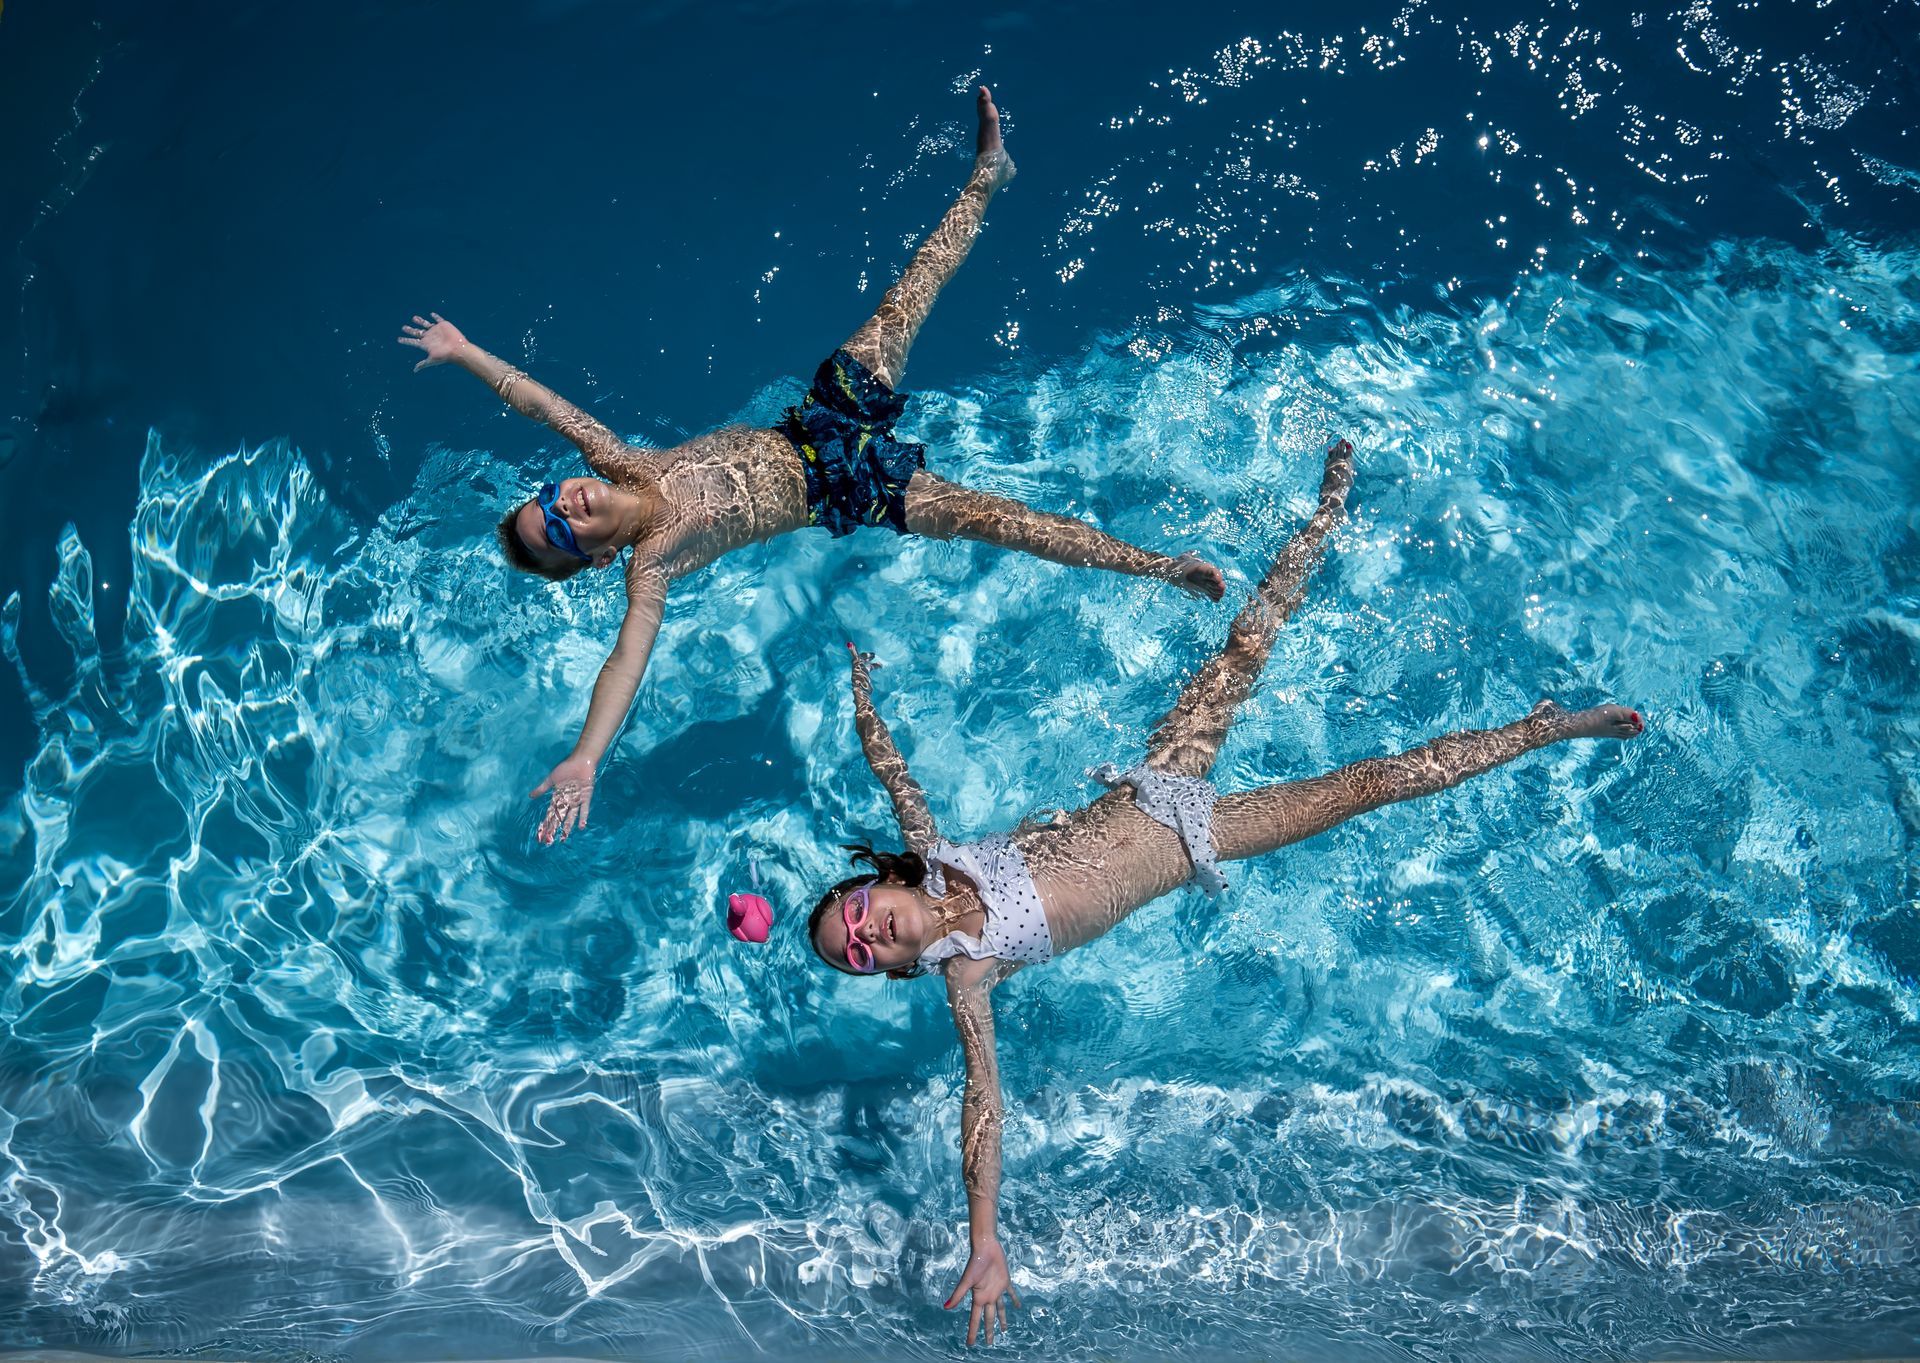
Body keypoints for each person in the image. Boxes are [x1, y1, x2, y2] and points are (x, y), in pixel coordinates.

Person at [806, 437, 1645, 1346]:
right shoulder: (970, 974)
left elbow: (891, 771)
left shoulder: (931, 854)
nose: (861, 935)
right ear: (886, 965)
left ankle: (1326, 513)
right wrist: (985, 1237)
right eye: (854, 955)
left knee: (1249, 636)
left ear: (873, 884)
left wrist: (860, 694)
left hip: (1153, 777)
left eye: (849, 914)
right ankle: (1547, 731)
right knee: (1373, 783)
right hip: (1205, 834)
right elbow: (984, 1107)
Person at [397, 87, 1225, 844]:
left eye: (550, 498)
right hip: (850, 487)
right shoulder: (651, 566)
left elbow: (541, 403)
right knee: (1001, 522)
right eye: (563, 530)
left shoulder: (617, 459)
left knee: (910, 292)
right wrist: (586, 757)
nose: (567, 502)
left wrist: (467, 351)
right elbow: (625, 664)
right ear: (598, 557)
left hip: (822, 418)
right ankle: (1158, 566)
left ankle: (987, 177)